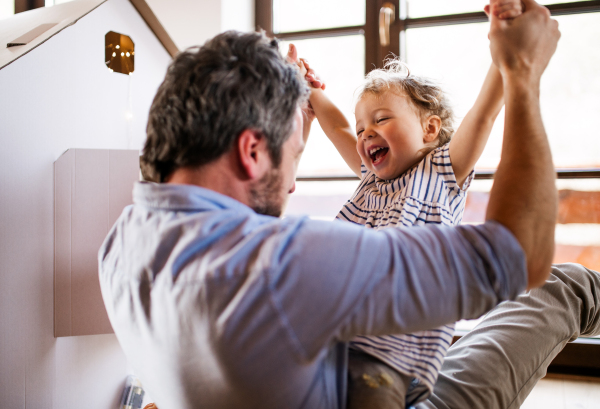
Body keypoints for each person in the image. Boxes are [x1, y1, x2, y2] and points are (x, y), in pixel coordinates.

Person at [98, 2, 598, 409]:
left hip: (385, 344)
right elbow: (520, 255)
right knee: (567, 282)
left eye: (380, 120)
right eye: (293, 155)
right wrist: (521, 69)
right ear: (251, 151)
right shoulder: (292, 260)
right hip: (384, 373)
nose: (293, 186)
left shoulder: (121, 243)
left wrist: (306, 96)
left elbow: (480, 119)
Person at [286, 2, 525, 407]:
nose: (366, 134)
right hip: (336, 328)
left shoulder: (444, 168)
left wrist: (505, 44)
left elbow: (483, 116)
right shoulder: (370, 174)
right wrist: (308, 88)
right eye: (364, 127)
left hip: (395, 347)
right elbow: (339, 126)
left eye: (381, 119)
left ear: (430, 128)